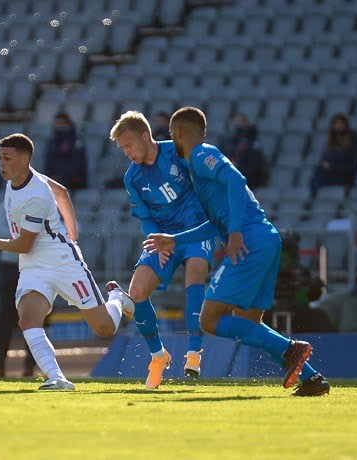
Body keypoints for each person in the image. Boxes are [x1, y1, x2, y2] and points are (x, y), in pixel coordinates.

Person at [143, 107, 330, 397]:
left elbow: (236, 180)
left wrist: (236, 232)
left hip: (249, 241)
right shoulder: (199, 167)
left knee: (209, 319)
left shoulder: (201, 155)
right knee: (248, 324)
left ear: (178, 133)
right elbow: (213, 225)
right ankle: (311, 378)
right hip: (265, 239)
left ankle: (292, 349)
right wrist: (175, 240)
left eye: (170, 135)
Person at [0, 133, 132, 391]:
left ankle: (117, 298)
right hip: (33, 266)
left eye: (7, 158)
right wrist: (73, 231)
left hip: (62, 264)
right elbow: (60, 191)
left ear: (25, 159)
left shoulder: (35, 194)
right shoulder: (19, 179)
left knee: (104, 328)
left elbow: (24, 244)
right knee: (27, 318)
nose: (1, 164)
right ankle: (56, 378)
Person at [108, 111, 215, 389]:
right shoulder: (132, 178)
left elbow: (206, 185)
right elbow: (145, 218)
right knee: (138, 291)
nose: (127, 152)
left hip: (195, 228)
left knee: (195, 274)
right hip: (162, 236)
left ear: (146, 136)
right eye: (122, 148)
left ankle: (194, 351)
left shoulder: (177, 154)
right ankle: (159, 356)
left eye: (129, 145)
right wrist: (158, 240)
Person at [0, 202, 38, 378]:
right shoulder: (6, 204)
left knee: (34, 317)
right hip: (10, 266)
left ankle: (31, 367)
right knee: (5, 317)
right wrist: (27, 236)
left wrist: (23, 237)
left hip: (34, 266)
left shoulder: (40, 202)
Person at [309, 113, 357, 196]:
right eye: (336, 124)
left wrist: (332, 167)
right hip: (330, 176)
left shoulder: (352, 141)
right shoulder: (331, 143)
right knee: (316, 176)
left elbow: (352, 167)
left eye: (341, 123)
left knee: (318, 180)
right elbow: (324, 162)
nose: (338, 126)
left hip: (344, 177)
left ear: (346, 125)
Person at [220, 113, 267, 188]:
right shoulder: (231, 140)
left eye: (240, 122)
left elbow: (254, 167)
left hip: (248, 179)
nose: (238, 125)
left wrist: (237, 167)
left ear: (246, 123)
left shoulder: (253, 142)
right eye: (236, 123)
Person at [44, 112, 87, 191]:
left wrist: (64, 176)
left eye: (62, 123)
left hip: (72, 180)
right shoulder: (53, 141)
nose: (59, 126)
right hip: (55, 178)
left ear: (68, 124)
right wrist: (50, 175)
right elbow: (49, 160)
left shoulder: (76, 141)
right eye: (57, 123)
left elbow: (78, 162)